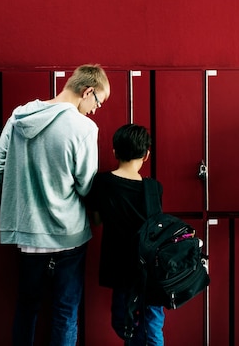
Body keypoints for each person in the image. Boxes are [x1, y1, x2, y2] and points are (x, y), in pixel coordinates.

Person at [0, 64, 110, 346]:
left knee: (27, 308)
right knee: (65, 312)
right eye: (98, 102)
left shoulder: (20, 115)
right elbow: (86, 185)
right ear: (87, 91)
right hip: (68, 236)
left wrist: (25, 186)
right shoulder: (84, 127)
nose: (95, 110)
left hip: (28, 235)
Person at [85, 123, 165, 346]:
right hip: (150, 268)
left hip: (121, 268)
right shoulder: (154, 188)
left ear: (114, 152)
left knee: (123, 322)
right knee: (152, 323)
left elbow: (97, 220)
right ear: (147, 155)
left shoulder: (102, 183)